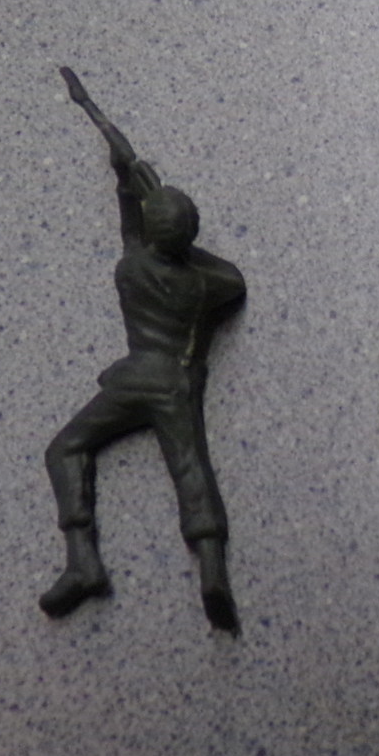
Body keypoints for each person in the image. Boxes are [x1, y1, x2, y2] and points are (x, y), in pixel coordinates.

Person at [39, 67, 246, 632]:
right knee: (190, 468)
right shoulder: (204, 282)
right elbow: (234, 281)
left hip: (135, 376)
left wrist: (127, 175)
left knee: (65, 449)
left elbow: (128, 203)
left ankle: (82, 559)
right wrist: (185, 243)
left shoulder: (130, 264)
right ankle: (212, 572)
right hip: (176, 382)